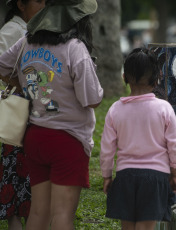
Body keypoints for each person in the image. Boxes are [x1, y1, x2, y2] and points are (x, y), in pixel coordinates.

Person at [0, 0, 103, 229]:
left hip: (35, 137)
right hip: (68, 140)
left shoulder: (27, 41)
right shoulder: (75, 48)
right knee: (63, 215)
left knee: (38, 212)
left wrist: (21, 84)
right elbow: (92, 99)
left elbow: (2, 65)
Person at [100, 48, 176, 230]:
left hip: (125, 176)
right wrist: (175, 174)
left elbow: (107, 149)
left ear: (124, 77)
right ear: (157, 79)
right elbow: (175, 146)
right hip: (155, 178)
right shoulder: (164, 108)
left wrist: (107, 176)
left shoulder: (115, 109)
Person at [0, 0, 45, 229]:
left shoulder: (32, 29)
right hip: (20, 116)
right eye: (39, 1)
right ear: (21, 4)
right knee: (17, 179)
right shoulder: (14, 30)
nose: (44, 5)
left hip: (30, 116)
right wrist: (20, 85)